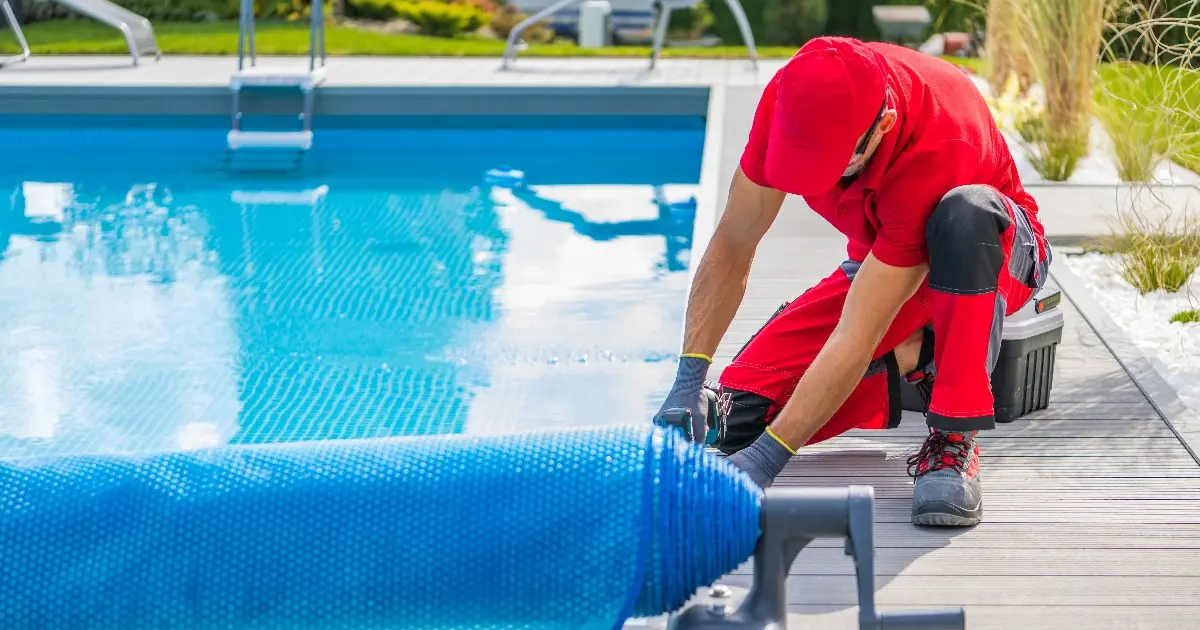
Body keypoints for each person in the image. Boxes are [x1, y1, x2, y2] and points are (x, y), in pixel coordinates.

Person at [652, 36, 1052, 527]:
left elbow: (856, 334)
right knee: (740, 417)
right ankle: (920, 357)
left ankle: (953, 436)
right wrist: (689, 379)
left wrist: (766, 464)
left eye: (828, 166)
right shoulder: (792, 98)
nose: (815, 182)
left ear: (881, 127)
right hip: (882, 261)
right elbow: (735, 238)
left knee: (963, 215)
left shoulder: (939, 143)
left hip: (995, 253)